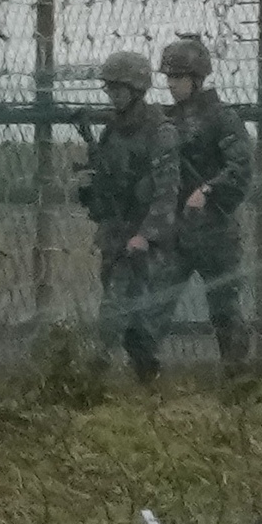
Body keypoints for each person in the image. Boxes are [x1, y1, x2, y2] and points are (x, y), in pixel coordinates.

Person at [151, 31, 256, 379]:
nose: (171, 84)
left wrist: (209, 190)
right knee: (157, 304)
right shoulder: (164, 120)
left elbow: (240, 167)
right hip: (176, 230)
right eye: (168, 77)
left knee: (225, 309)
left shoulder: (221, 117)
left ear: (197, 79)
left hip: (215, 229)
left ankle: (236, 379)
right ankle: (145, 378)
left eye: (178, 77)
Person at [74, 48, 178, 379]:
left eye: (117, 89)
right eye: (109, 89)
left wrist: (145, 236)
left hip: (143, 237)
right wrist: (91, 190)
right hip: (115, 232)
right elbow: (106, 182)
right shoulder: (112, 130)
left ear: (136, 90)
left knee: (114, 309)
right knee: (133, 318)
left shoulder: (161, 132)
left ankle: (93, 374)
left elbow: (166, 192)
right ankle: (148, 376)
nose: (112, 95)